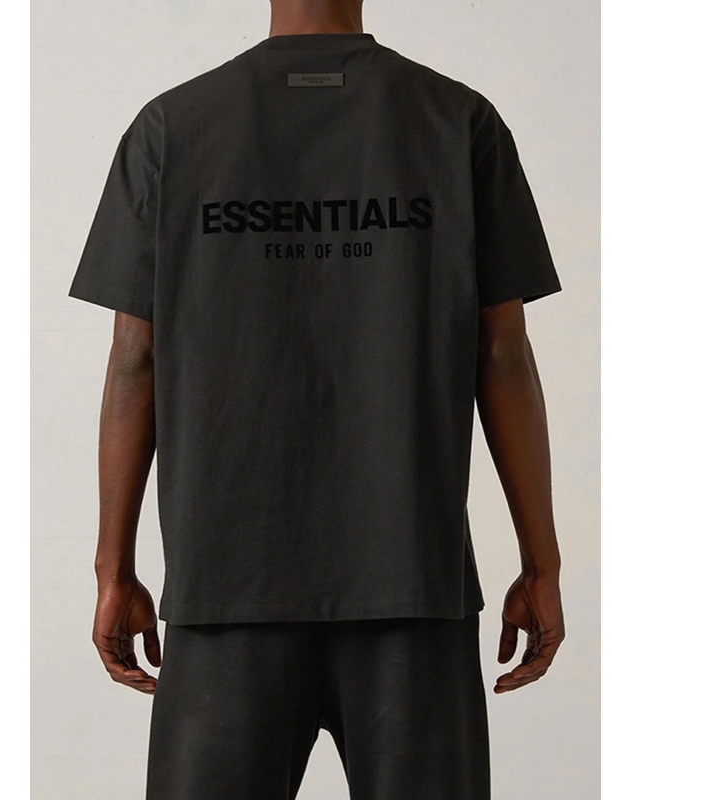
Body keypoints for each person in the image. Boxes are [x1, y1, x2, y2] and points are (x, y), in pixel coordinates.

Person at [67, 1, 566, 797]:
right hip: (412, 585)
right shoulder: (456, 121)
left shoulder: (172, 129)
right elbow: (502, 352)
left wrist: (112, 569)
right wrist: (542, 563)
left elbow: (135, 358)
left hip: (226, 590)